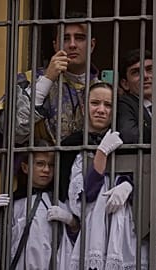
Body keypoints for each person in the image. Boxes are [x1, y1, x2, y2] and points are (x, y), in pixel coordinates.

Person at [0, 11, 99, 149]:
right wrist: (47, 79)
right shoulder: (27, 80)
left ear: (92, 45)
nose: (72, 45)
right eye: (65, 38)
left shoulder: (104, 88)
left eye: (79, 38)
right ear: (56, 45)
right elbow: (11, 132)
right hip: (42, 168)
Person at [63, 82, 148, 269]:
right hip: (92, 231)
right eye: (95, 103)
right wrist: (101, 153)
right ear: (84, 108)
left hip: (127, 230)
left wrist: (128, 185)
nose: (101, 110)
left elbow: (147, 184)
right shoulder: (71, 145)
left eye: (108, 105)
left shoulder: (131, 143)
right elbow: (82, 200)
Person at [0, 139, 76, 269]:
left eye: (51, 165)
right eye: (40, 164)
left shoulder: (62, 201)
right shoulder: (15, 202)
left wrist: (71, 220)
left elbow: (79, 242)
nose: (46, 169)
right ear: (25, 167)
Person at [116, 49, 156, 144]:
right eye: (135, 72)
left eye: (150, 69)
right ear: (125, 84)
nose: (145, 76)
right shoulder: (123, 104)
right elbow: (130, 137)